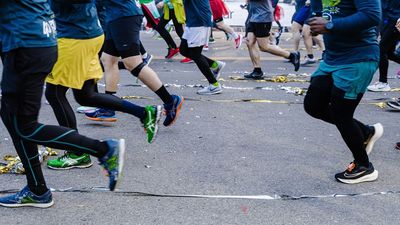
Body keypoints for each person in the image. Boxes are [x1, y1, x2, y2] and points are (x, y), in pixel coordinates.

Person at [0, 0, 124, 208]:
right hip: (34, 42)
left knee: (24, 126)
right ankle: (37, 189)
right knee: (13, 118)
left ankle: (103, 150)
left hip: (26, 45)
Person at [45, 0, 162, 170]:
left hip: (74, 37)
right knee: (85, 96)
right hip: (88, 33)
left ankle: (76, 153)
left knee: (55, 93)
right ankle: (144, 113)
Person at [304, 0, 383, 184]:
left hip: (358, 57)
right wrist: (316, 25)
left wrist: (330, 25)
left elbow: (372, 15)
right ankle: (365, 132)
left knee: (341, 113)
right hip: (332, 58)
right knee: (313, 106)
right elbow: (324, 14)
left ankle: (364, 166)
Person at [91, 0, 184, 126]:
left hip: (123, 15)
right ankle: (108, 107)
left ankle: (170, 101)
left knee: (132, 63)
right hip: (115, 16)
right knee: (108, 60)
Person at [244, 0, 300, 80]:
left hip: (263, 18)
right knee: (250, 42)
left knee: (264, 47)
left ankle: (291, 56)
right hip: (253, 17)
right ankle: (257, 70)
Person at [179, 0, 226, 95]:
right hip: (193, 20)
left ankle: (214, 85)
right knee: (183, 50)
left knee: (195, 54)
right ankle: (214, 65)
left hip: (199, 21)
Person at [367, 0, 400, 92]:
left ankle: (383, 83)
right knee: (389, 53)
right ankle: (383, 83)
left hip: (395, 20)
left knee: (381, 50)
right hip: (386, 19)